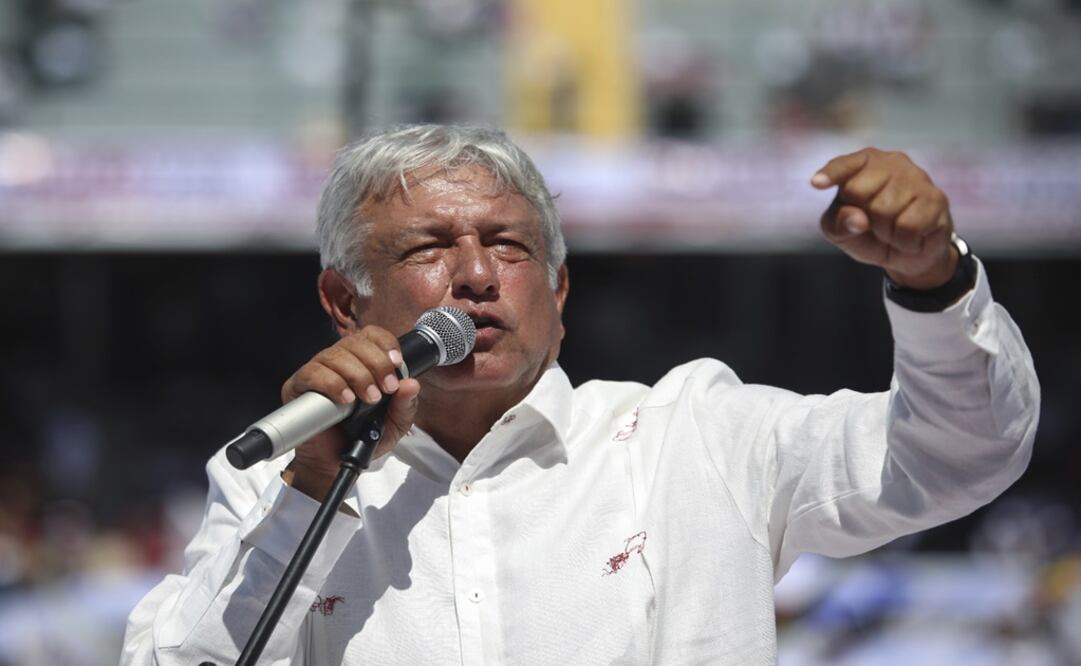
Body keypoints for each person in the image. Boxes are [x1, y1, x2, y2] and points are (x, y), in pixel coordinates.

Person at [122, 125, 1039, 664]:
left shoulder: (696, 434)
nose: (476, 275)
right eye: (428, 247)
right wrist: (309, 495)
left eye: (511, 247)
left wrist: (932, 283)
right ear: (340, 300)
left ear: (558, 294)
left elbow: (959, 454)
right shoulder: (275, 479)